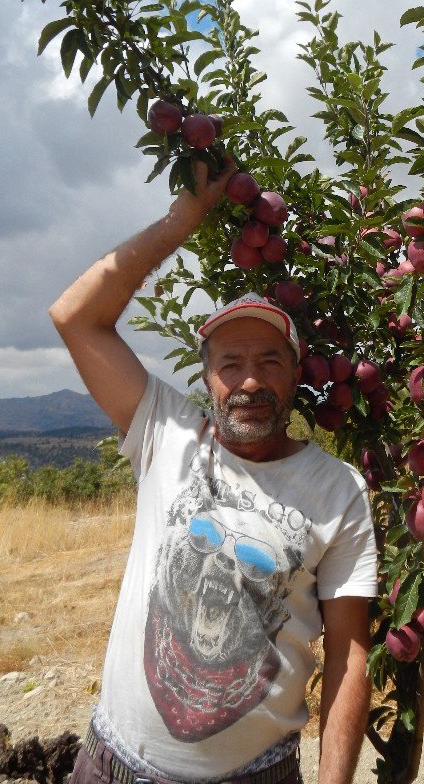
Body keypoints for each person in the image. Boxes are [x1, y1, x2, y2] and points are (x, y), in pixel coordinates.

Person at [49, 159, 378, 784]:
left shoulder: (339, 490)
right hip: (112, 764)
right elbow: (75, 317)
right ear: (205, 377)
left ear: (295, 374)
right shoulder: (166, 432)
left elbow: (348, 652)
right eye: (230, 363)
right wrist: (184, 217)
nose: (249, 381)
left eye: (269, 361)